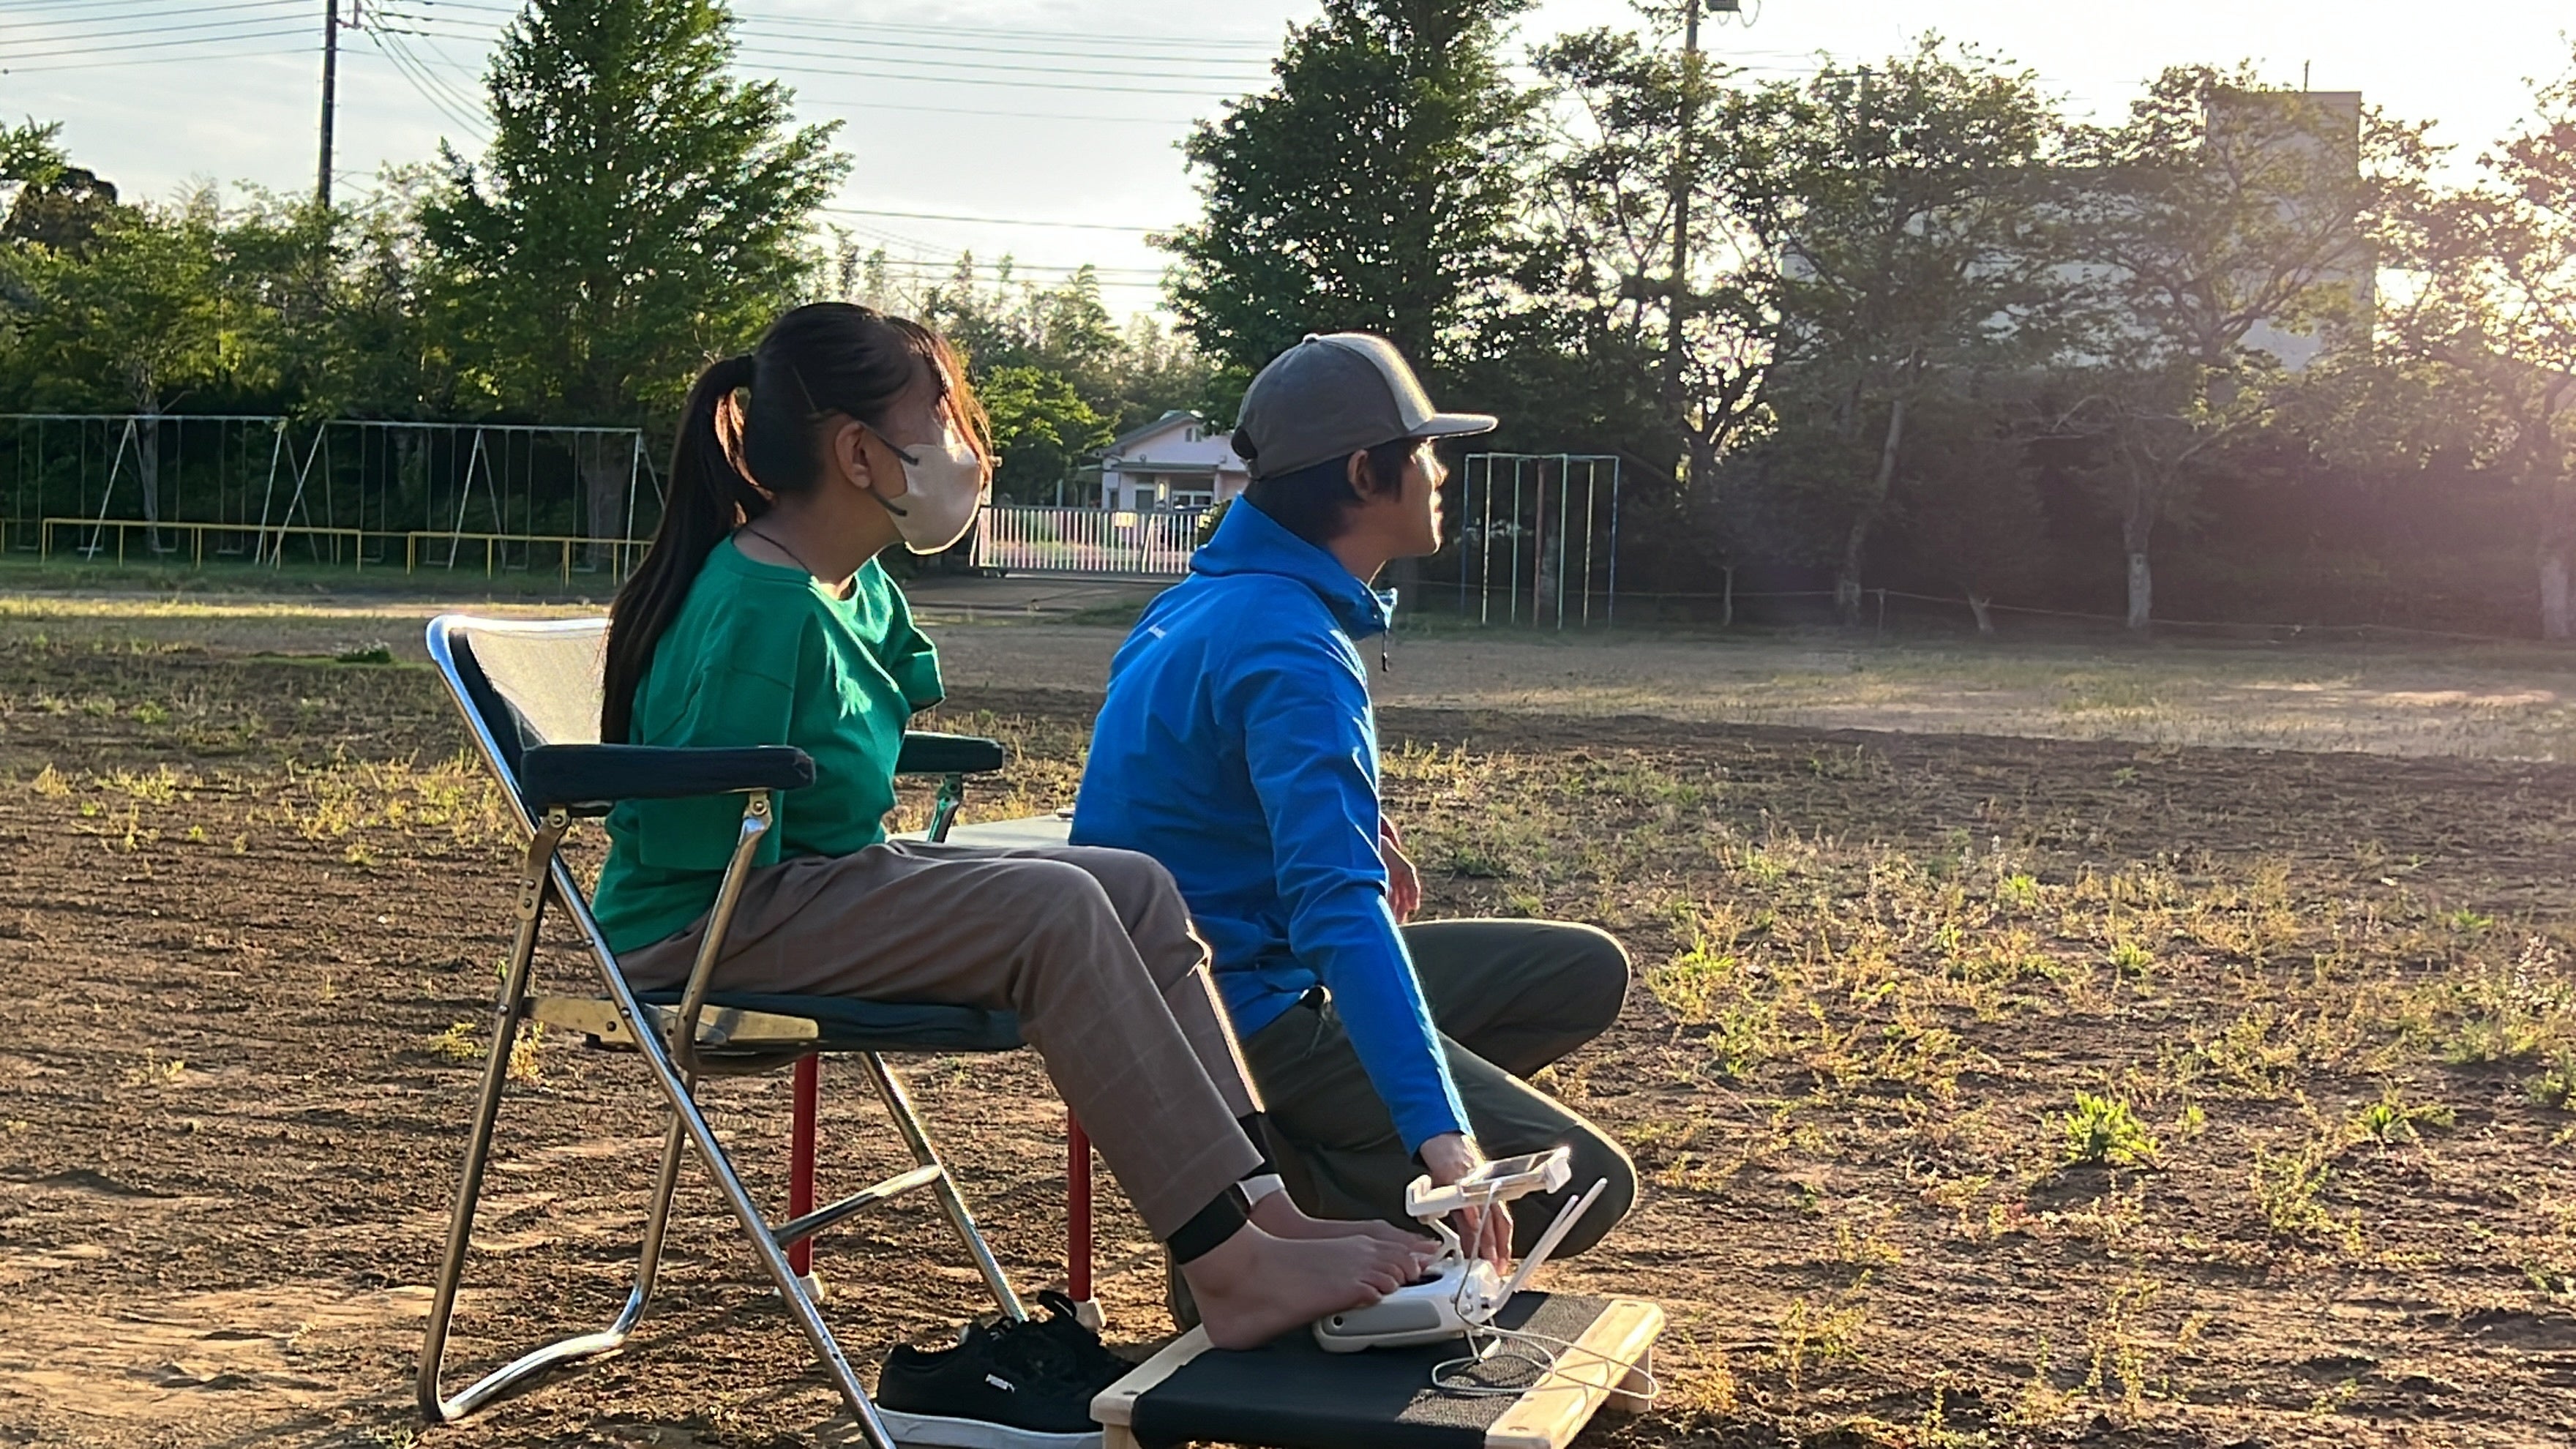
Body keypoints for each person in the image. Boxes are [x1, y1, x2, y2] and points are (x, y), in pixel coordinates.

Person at [590, 304, 1425, 1445]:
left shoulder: (852, 582)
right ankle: (1229, 1270)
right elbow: (686, 836)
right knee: (1058, 907)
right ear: (857, 454)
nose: (965, 446)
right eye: (940, 417)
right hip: (706, 919)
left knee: (1128, 881)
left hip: (806, 883)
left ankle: (1263, 1211)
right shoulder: (754, 597)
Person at [1071, 333, 1638, 1307]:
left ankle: (1283, 1155)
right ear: (1367, 473)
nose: (1441, 469)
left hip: (1199, 989)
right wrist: (1446, 1139)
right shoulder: (1290, 640)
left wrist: (1356, 829)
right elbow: (1340, 914)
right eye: (1422, 451)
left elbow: (1196, 793)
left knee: (1581, 970)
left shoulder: (1211, 603)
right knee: (1586, 1187)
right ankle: (1245, 1230)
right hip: (1239, 1012)